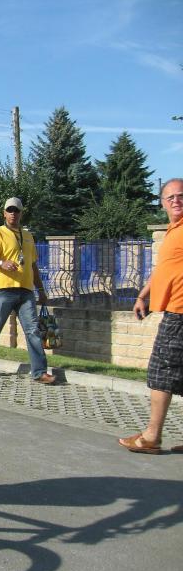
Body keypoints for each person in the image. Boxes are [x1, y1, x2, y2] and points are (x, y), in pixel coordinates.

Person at [119, 178, 183, 455]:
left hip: (179, 313)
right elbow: (163, 270)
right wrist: (142, 295)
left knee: (161, 371)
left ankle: (152, 437)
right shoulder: (174, 231)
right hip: (175, 310)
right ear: (162, 203)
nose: (176, 201)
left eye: (181, 196)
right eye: (171, 197)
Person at [0, 197, 56, 384]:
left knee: (33, 331)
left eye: (16, 210)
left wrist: (41, 290)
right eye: (9, 210)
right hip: (2, 290)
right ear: (4, 213)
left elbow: (33, 265)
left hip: (26, 292)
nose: (13, 213)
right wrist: (2, 263)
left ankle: (39, 372)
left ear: (21, 213)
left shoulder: (28, 236)